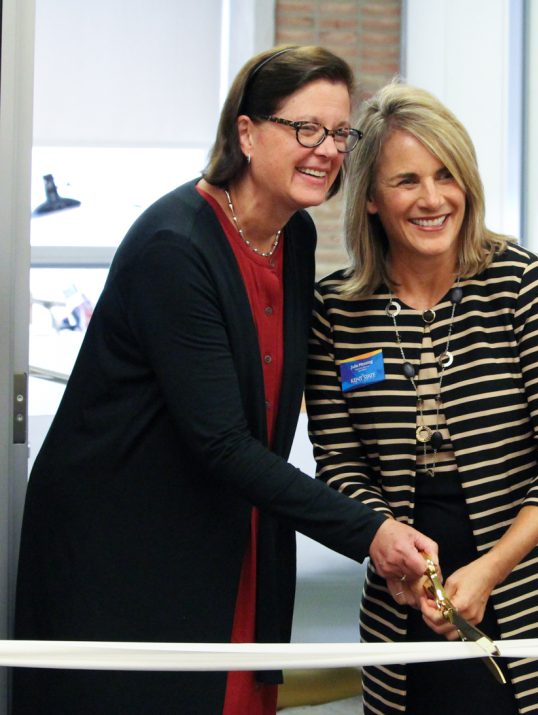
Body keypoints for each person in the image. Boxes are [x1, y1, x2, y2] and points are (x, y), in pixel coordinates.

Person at [14, 46, 437, 715]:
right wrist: (372, 531)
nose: (327, 149)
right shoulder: (175, 247)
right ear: (246, 132)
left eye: (339, 132)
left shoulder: (292, 235)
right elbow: (220, 441)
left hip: (232, 530)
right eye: (305, 128)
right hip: (127, 548)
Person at [305, 82, 538, 714]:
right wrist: (386, 540)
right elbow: (340, 464)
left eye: (446, 175)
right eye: (406, 181)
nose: (432, 199)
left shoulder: (525, 284)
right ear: (371, 198)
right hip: (407, 590)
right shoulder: (336, 310)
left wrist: (492, 569)